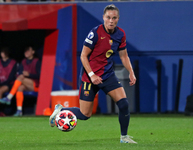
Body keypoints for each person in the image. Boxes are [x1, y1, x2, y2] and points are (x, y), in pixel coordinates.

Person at [49, 4, 137, 143]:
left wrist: (131, 72)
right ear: (103, 17)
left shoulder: (121, 34)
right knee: (85, 115)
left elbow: (124, 56)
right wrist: (92, 75)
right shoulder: (95, 32)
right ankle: (61, 110)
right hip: (89, 77)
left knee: (124, 104)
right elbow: (83, 56)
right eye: (108, 17)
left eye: (114, 18)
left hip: (107, 75)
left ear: (118, 19)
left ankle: (124, 137)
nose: (111, 21)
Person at [0, 46, 41, 116]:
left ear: (33, 52)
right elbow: (19, 73)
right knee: (20, 87)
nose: (26, 52)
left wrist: (29, 74)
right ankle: (19, 111)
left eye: (28, 50)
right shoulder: (23, 61)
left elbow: (40, 76)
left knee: (21, 77)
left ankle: (9, 97)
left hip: (36, 85)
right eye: (25, 51)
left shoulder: (37, 61)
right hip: (25, 84)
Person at [0, 47, 17, 116]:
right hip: (1, 83)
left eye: (4, 52)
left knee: (0, 90)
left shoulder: (13, 63)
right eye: (1, 52)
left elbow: (11, 78)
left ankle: (1, 111)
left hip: (8, 84)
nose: (2, 54)